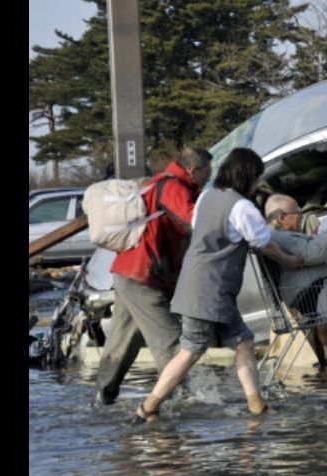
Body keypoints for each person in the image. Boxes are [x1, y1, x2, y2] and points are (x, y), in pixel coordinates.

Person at [135, 148, 302, 422]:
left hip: (203, 284)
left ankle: (256, 404)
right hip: (209, 289)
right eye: (257, 176)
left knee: (244, 342)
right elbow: (263, 242)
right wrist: (288, 259)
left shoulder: (207, 197)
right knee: (191, 350)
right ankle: (148, 406)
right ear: (247, 175)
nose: (258, 182)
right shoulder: (241, 206)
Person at [94, 147, 212, 405]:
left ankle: (102, 398)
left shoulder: (158, 182)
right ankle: (186, 400)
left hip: (129, 272)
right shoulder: (173, 187)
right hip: (144, 277)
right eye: (206, 173)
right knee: (170, 341)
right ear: (193, 171)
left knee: (121, 342)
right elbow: (194, 220)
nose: (208, 179)